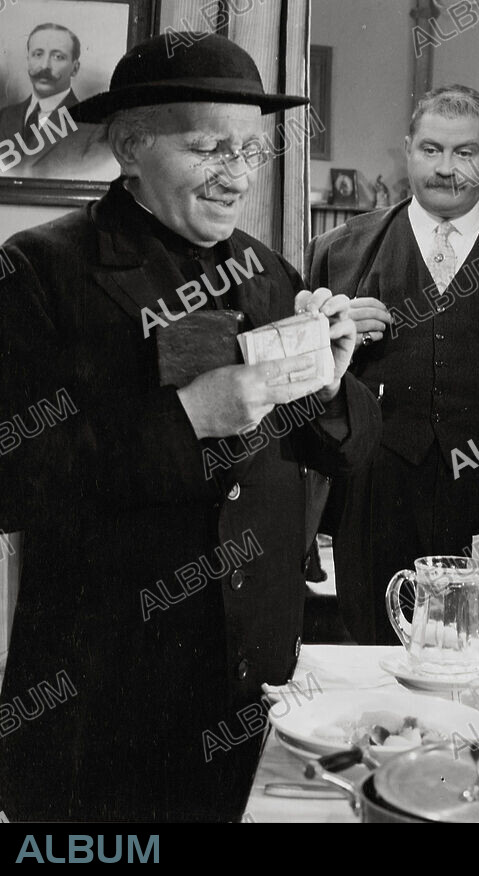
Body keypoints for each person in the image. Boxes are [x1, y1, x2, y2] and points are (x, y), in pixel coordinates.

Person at [0, 33, 381, 821]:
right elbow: (12, 481)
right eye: (208, 146)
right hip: (102, 694)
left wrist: (332, 380)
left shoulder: (270, 271)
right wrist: (188, 418)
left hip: (255, 680)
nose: (237, 173)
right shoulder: (39, 269)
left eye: (250, 148)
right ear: (130, 147)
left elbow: (339, 450)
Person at [305, 84, 479, 644]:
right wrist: (330, 341)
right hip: (378, 494)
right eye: (431, 149)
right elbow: (306, 392)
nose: (447, 168)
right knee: (378, 653)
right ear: (408, 150)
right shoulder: (338, 251)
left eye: (465, 152)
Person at [0, 23, 81, 175]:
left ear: (75, 68)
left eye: (58, 57)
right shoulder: (4, 117)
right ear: (28, 60)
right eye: (38, 54)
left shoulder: (90, 125)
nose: (44, 66)